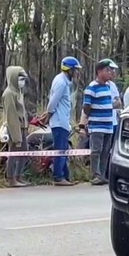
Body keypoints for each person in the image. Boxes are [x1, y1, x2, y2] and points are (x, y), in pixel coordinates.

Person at [81, 59, 121, 185]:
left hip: (108, 125)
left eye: (110, 70)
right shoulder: (91, 87)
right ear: (99, 72)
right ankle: (95, 175)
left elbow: (114, 104)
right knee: (96, 151)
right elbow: (86, 107)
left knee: (105, 151)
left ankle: (102, 175)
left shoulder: (109, 87)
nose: (110, 73)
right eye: (107, 70)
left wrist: (110, 106)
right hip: (97, 125)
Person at [46, 56, 82, 186]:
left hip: (63, 121)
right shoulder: (61, 82)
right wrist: (47, 115)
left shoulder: (65, 81)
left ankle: (65, 176)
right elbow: (53, 102)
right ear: (69, 70)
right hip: (59, 122)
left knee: (64, 150)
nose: (78, 72)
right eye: (76, 70)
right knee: (60, 150)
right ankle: (58, 177)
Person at [2, 66, 30, 187]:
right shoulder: (8, 94)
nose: (22, 81)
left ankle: (19, 176)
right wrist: (16, 135)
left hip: (22, 127)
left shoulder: (19, 92)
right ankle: (11, 178)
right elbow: (11, 115)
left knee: (24, 153)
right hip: (14, 128)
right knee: (13, 153)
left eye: (24, 79)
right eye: (20, 78)